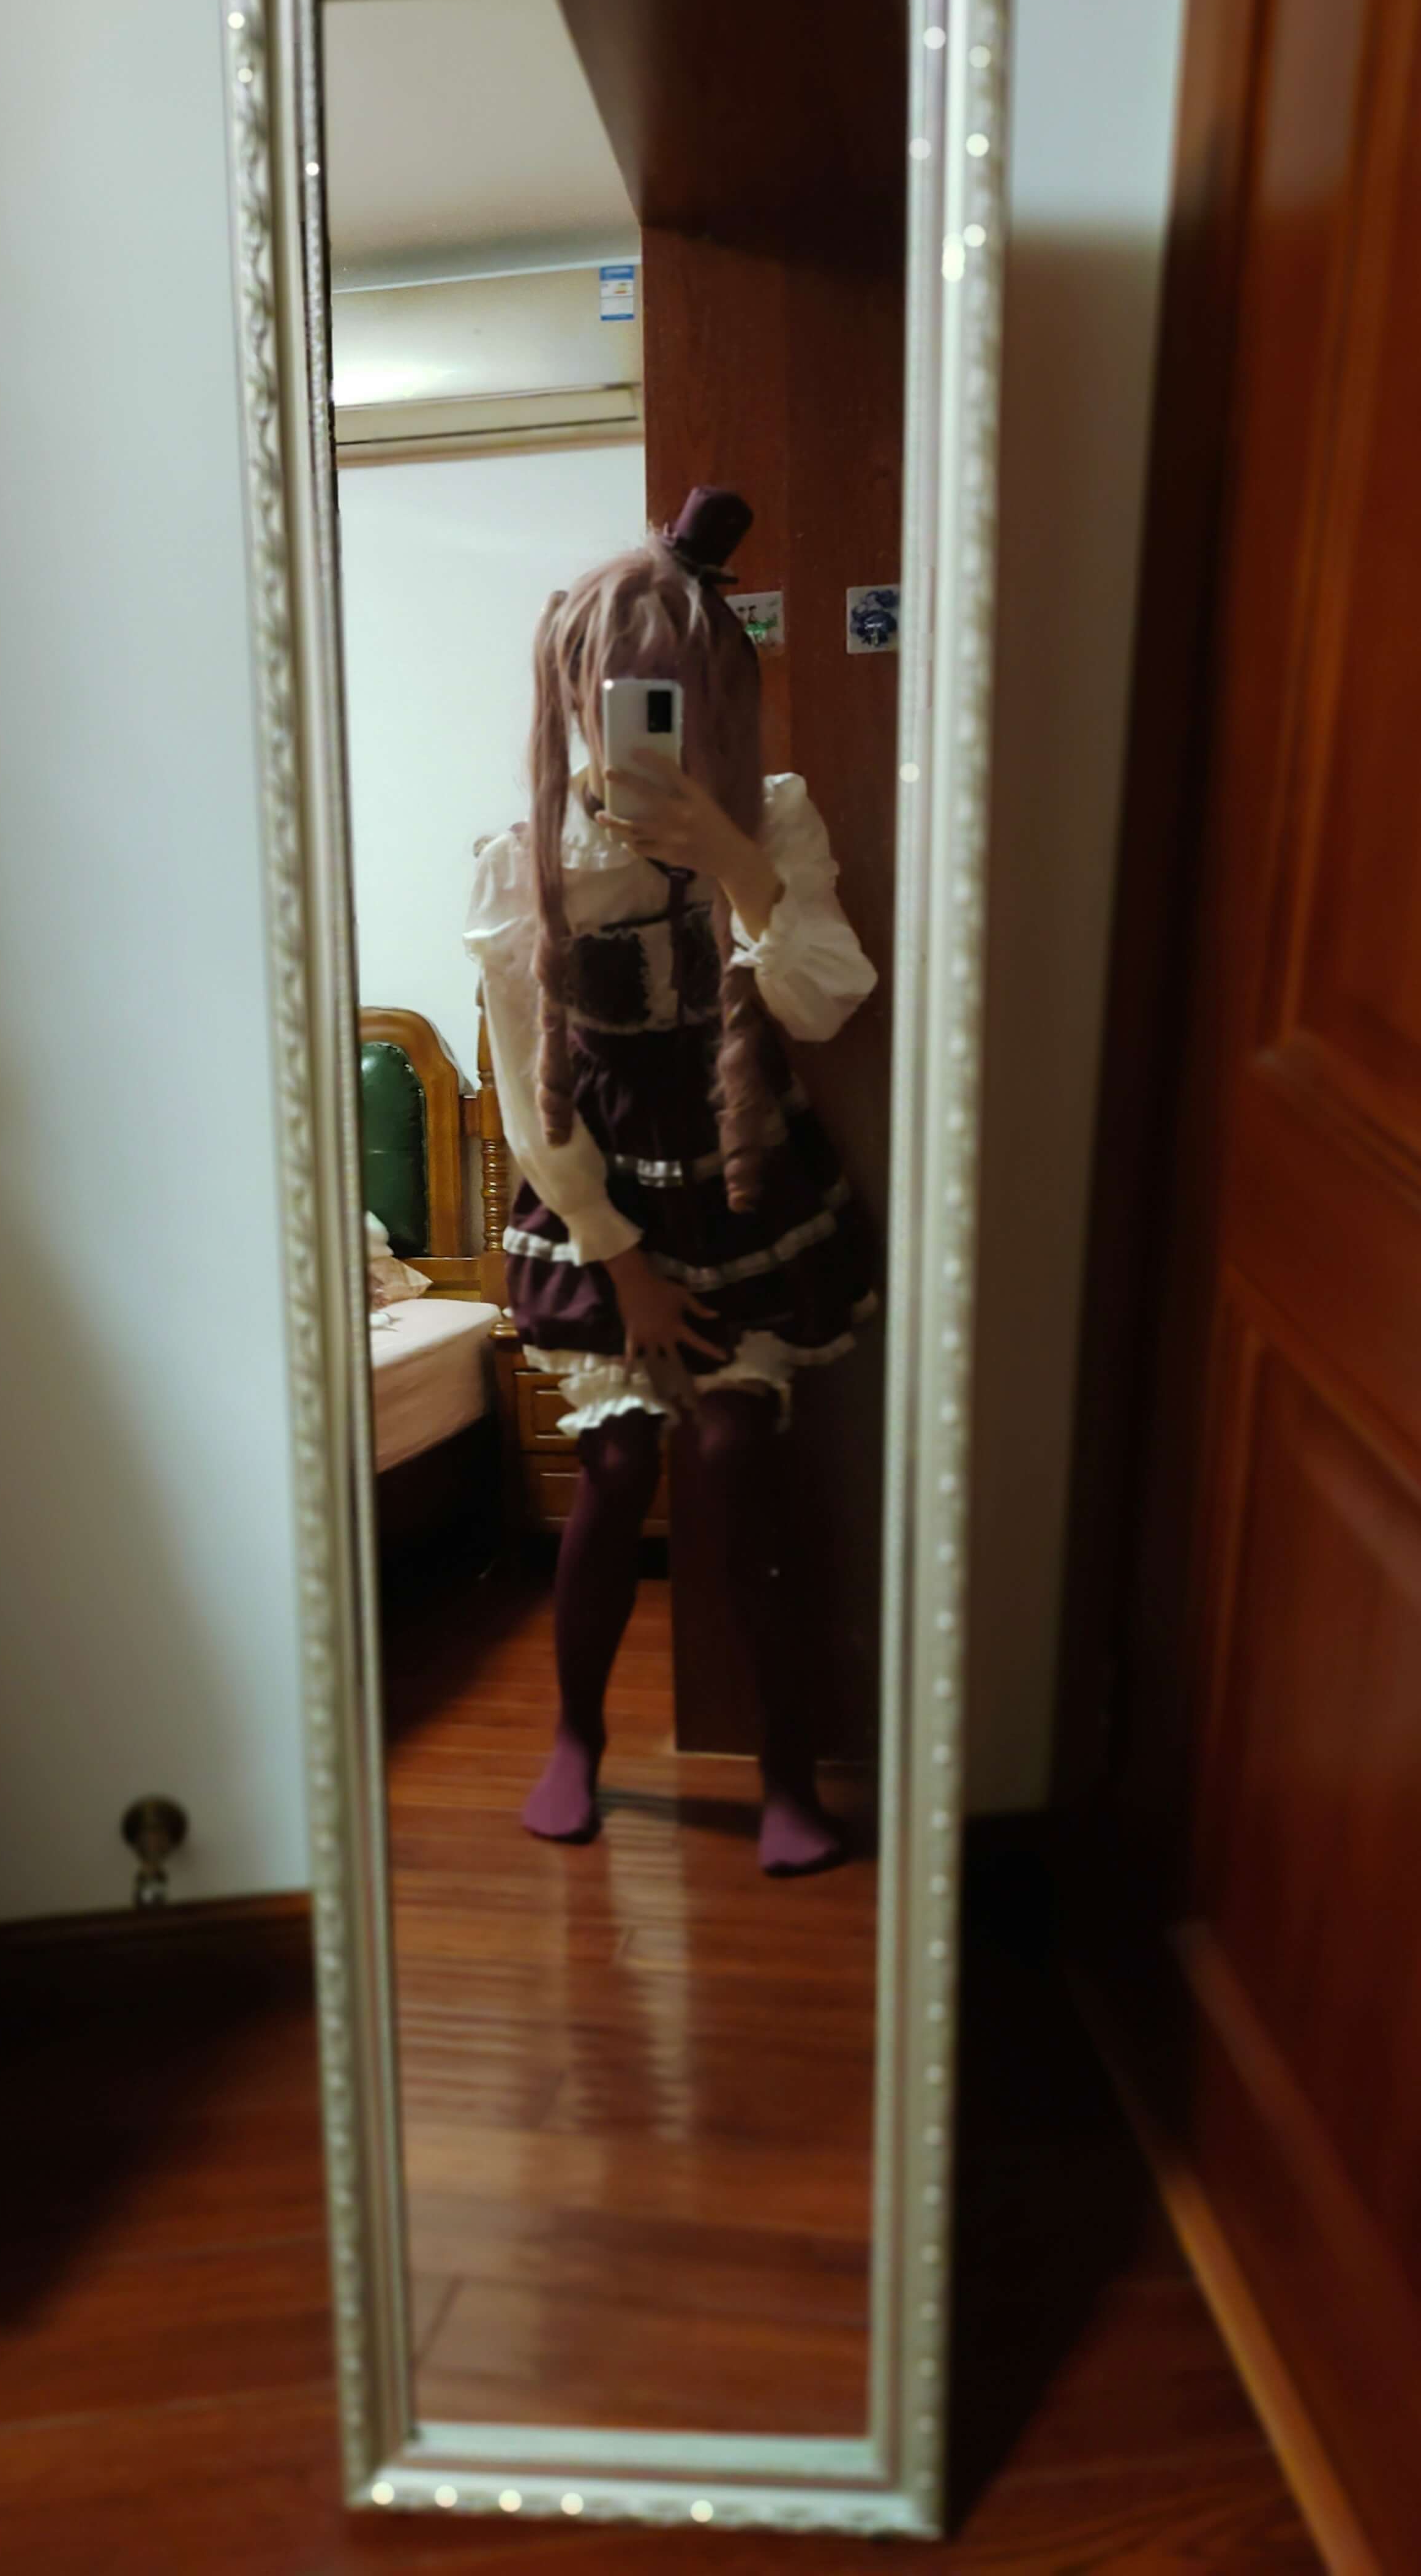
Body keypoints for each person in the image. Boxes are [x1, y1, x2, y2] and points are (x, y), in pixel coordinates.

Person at [464, 487, 878, 1875]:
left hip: (746, 1186)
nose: (651, 722)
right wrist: (620, 1262)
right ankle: (574, 1739)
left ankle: (788, 1772)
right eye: (625, 696)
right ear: (575, 700)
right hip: (613, 1208)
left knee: (742, 1460)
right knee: (616, 1464)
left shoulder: (772, 820)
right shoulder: (521, 861)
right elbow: (524, 1089)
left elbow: (823, 1003)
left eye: (681, 694)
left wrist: (737, 865)